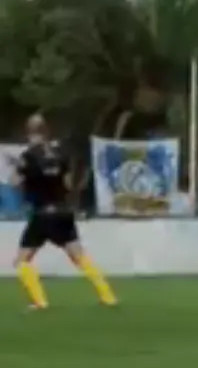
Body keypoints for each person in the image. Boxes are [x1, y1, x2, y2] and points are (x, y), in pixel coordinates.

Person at [10, 115, 117, 310]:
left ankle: (40, 301)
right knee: (80, 257)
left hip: (42, 214)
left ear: (29, 133)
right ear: (46, 131)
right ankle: (108, 296)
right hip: (63, 211)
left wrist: (21, 174)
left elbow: (14, 181)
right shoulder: (60, 154)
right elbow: (67, 183)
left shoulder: (28, 156)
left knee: (22, 260)